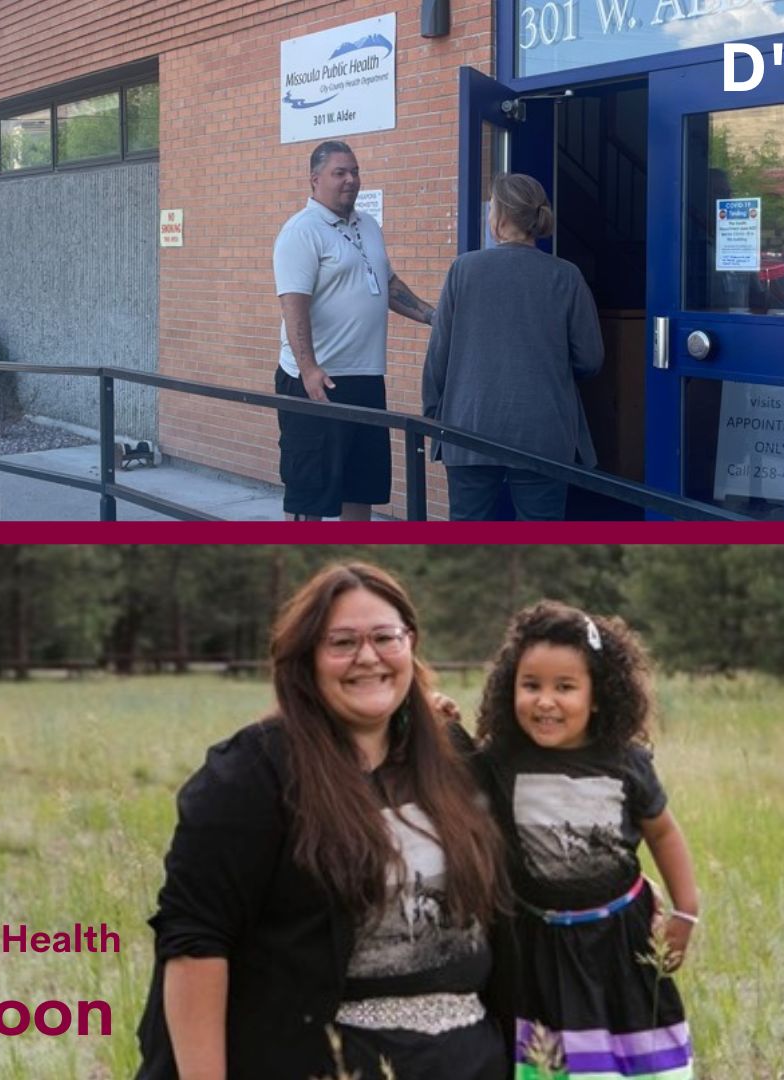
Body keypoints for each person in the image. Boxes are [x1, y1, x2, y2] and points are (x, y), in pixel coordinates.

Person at [136, 563, 510, 1079]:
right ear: (306, 657)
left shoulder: (452, 757)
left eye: (385, 637)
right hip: (320, 1063)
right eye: (342, 643)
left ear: (410, 644)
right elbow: (195, 942)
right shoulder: (253, 774)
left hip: (473, 1063)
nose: (368, 657)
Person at [473, 601, 699, 1078]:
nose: (545, 701)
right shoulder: (500, 760)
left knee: (635, 1045)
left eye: (565, 687)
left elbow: (663, 832)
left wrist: (686, 910)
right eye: (531, 685)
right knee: (550, 1058)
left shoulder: (625, 761)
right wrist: (438, 715)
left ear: (598, 695)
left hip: (621, 937)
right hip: (540, 941)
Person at [422, 173, 603, 521]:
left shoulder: (464, 269)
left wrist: (433, 411)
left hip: (469, 424)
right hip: (543, 428)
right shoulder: (566, 276)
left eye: (492, 208)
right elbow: (590, 359)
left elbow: (438, 354)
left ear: (501, 216)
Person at [274, 141, 439, 521]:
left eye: (355, 171)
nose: (351, 179)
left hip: (366, 378)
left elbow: (388, 283)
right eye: (340, 173)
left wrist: (433, 316)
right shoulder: (301, 231)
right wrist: (308, 369)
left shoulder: (368, 225)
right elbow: (293, 305)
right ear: (315, 179)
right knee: (309, 494)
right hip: (318, 382)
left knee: (361, 487)